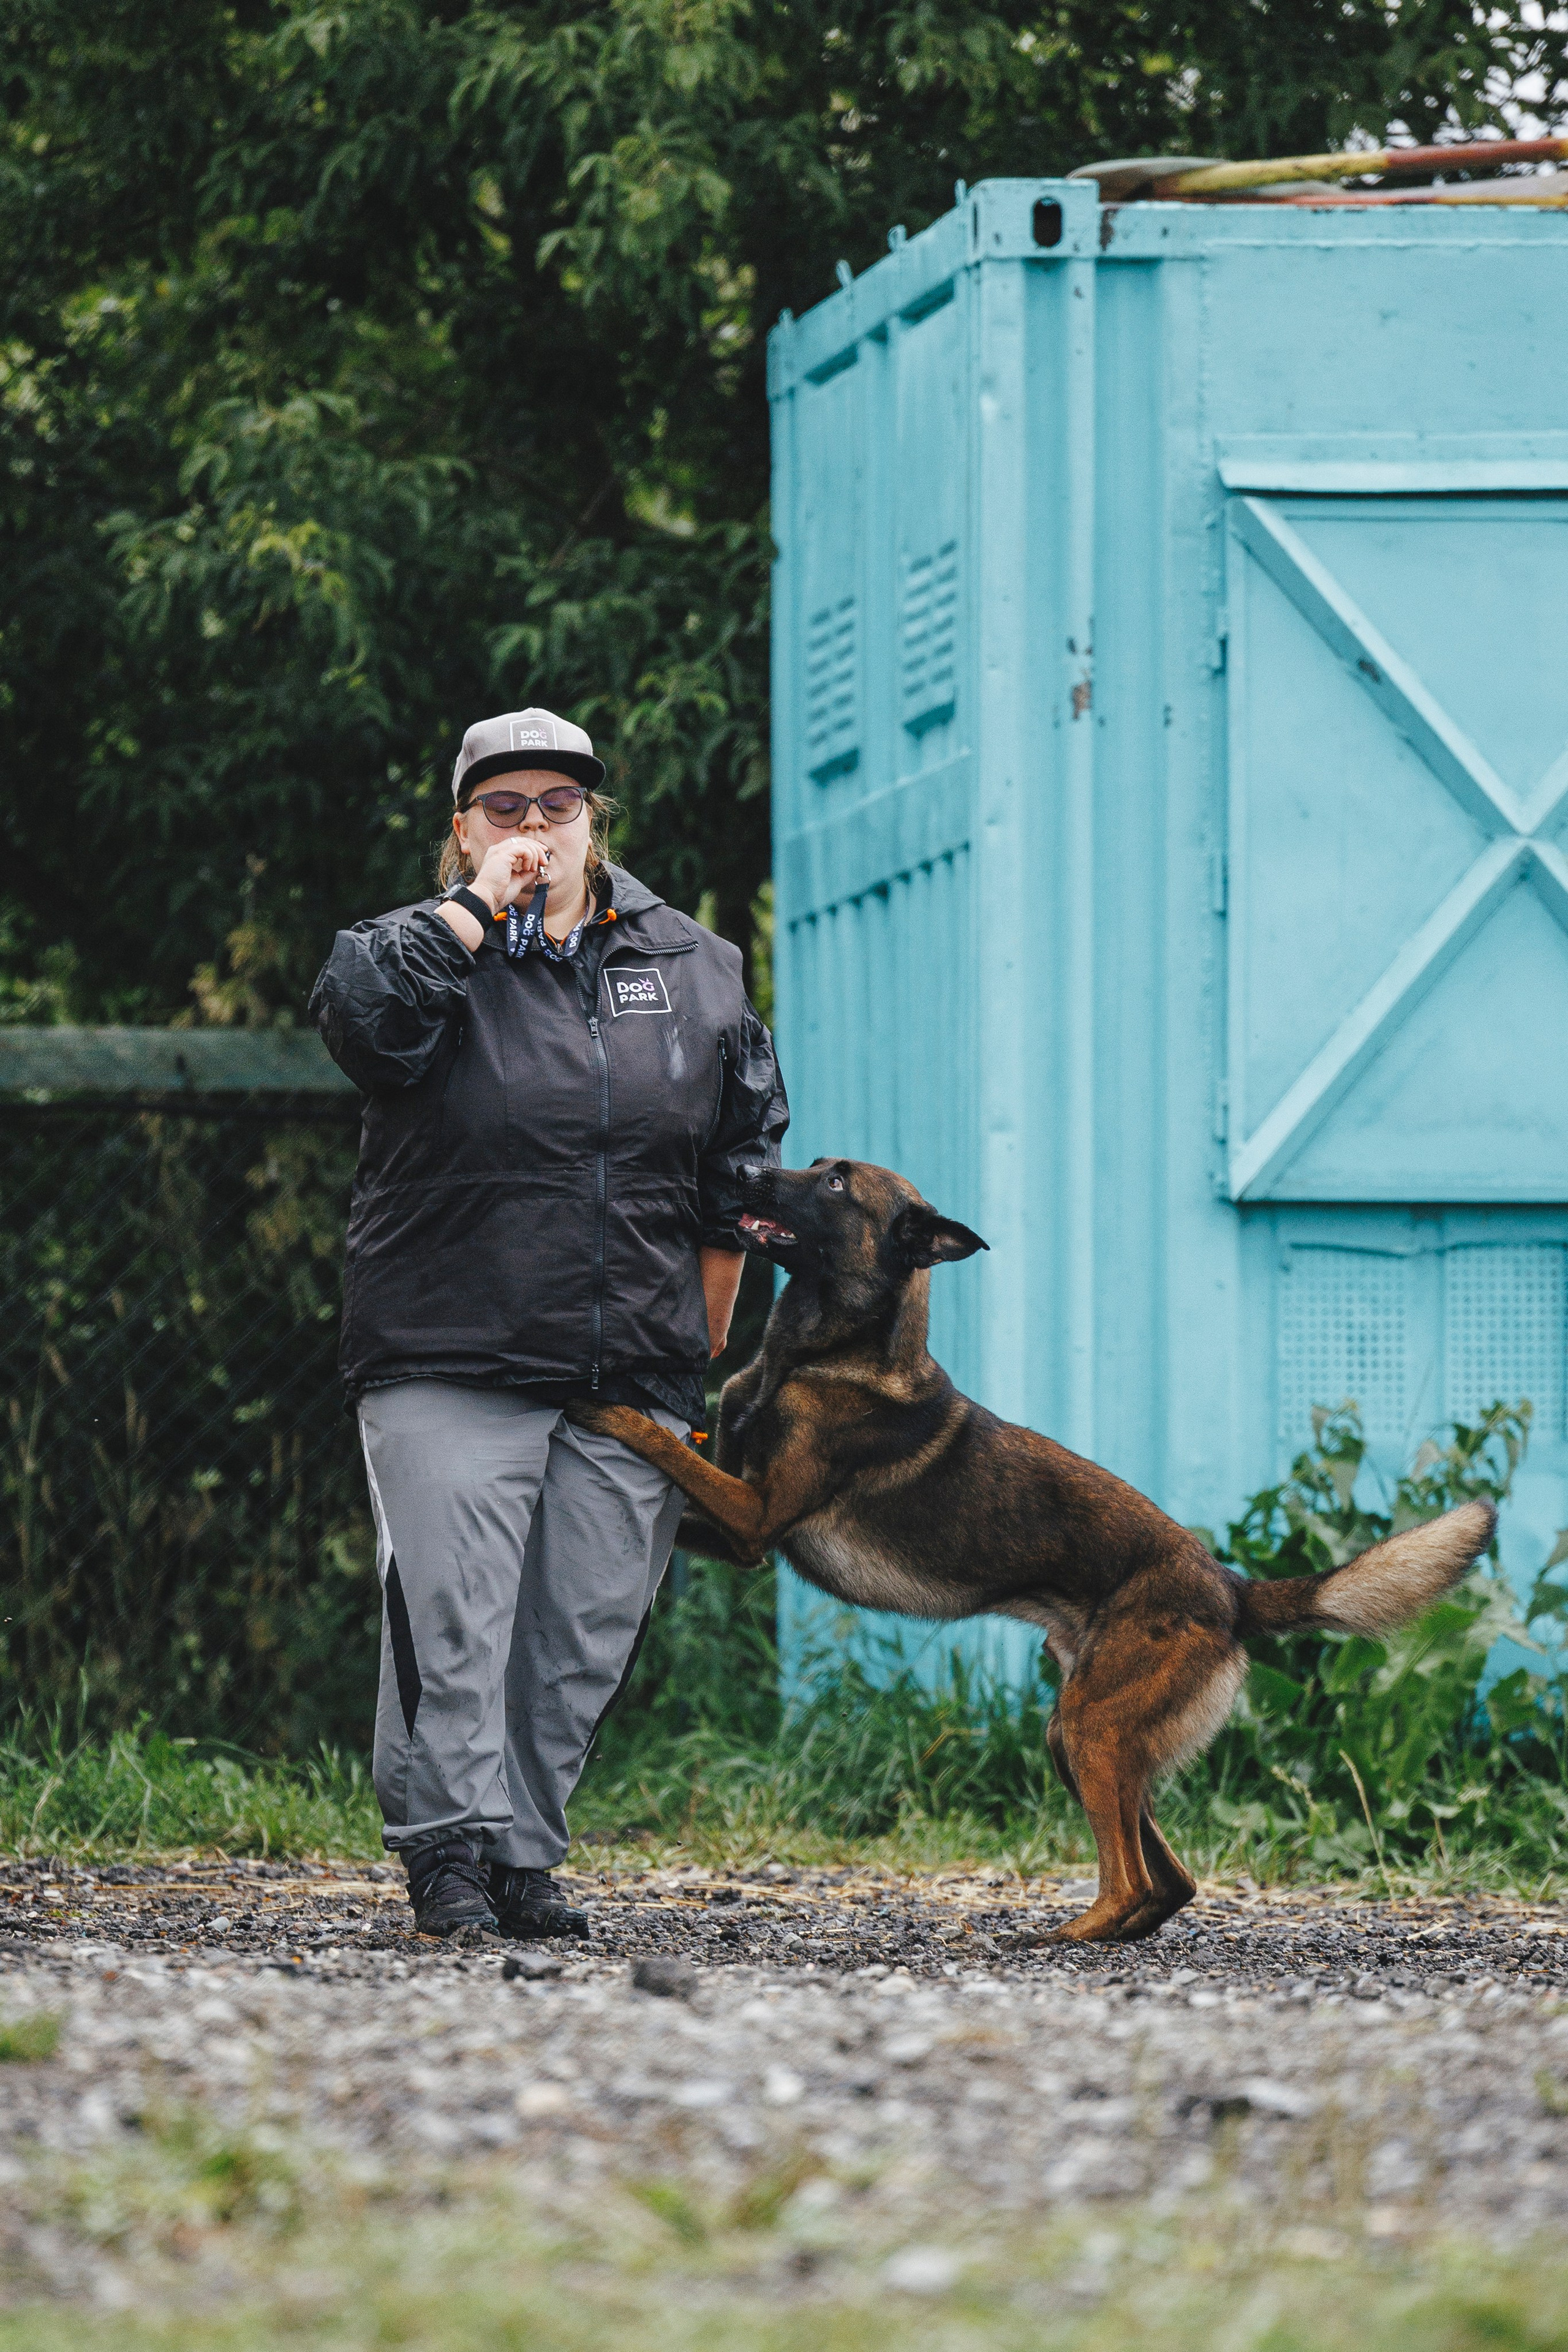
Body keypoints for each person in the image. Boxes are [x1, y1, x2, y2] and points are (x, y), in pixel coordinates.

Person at [309, 707, 788, 1938]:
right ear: (463, 829)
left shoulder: (692, 963)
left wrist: (707, 1310)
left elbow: (739, 1142)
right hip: (448, 1341)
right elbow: (364, 1031)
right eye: (505, 809)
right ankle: (448, 1853)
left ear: (596, 821)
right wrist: (476, 912)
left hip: (630, 1351)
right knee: (456, 1612)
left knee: (586, 1622)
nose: (535, 829)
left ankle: (523, 1851)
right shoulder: (415, 951)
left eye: (556, 808)